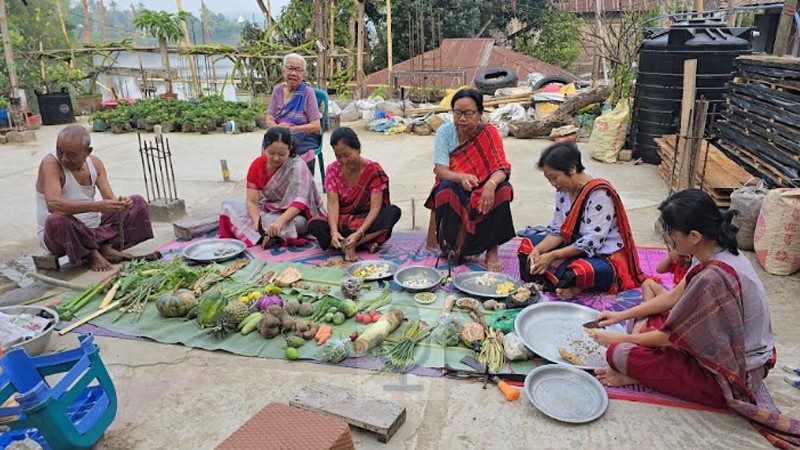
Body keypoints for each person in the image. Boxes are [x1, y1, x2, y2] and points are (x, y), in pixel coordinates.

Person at [593, 190, 779, 416]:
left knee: (618, 352)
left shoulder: (712, 278)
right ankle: (645, 367)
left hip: (732, 375)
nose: (670, 241)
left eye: (673, 234)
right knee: (643, 321)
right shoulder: (712, 251)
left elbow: (671, 337)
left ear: (694, 236)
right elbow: (673, 297)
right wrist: (620, 316)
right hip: (716, 347)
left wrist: (619, 339)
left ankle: (640, 374)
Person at [517, 142, 648, 299]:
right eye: (549, 179)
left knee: (581, 271)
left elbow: (592, 241)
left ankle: (569, 284)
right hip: (571, 245)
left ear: (572, 169)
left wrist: (552, 256)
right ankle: (562, 282)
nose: (553, 184)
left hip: (601, 254)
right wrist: (538, 251)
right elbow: (558, 230)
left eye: (554, 178)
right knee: (528, 247)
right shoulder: (563, 191)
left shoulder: (599, 194)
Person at [35, 125, 153, 271]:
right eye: (60, 151)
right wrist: (98, 206)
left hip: (93, 230)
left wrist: (121, 204)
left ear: (87, 152)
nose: (64, 158)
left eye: (71, 154)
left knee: (137, 202)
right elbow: (53, 205)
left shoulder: (95, 163)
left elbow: (109, 199)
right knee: (57, 220)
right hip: (60, 235)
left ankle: (105, 247)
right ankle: (91, 254)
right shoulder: (50, 164)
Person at [425, 88, 514, 271]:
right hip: (456, 183)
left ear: (479, 114)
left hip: (484, 183)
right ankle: (455, 246)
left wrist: (490, 184)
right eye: (457, 113)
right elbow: (441, 170)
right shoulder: (444, 132)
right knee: (445, 189)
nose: (462, 119)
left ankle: (492, 250)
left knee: (504, 189)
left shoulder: (489, 132)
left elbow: (501, 168)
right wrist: (461, 177)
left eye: (468, 113)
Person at [219, 127, 325, 248]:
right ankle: (269, 233)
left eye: (282, 154)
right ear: (264, 148)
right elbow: (252, 201)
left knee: (299, 224)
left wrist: (280, 222)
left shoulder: (297, 166)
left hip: (291, 215)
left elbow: (300, 202)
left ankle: (270, 233)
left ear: (290, 150)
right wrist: (256, 222)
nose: (276, 158)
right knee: (229, 206)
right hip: (268, 209)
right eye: (271, 153)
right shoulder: (257, 165)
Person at [308, 127, 401, 262]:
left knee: (392, 212)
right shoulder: (333, 170)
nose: (343, 160)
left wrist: (359, 234)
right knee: (314, 225)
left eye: (347, 155)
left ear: (358, 149)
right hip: (343, 221)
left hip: (365, 222)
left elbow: (375, 208)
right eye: (338, 156)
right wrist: (334, 232)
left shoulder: (373, 170)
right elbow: (333, 205)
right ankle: (358, 243)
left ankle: (352, 244)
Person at [266, 53, 323, 174]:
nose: (293, 73)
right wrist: (278, 128)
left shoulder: (307, 92)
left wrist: (293, 129)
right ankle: (272, 179)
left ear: (303, 74)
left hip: (304, 135)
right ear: (283, 71)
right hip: (280, 132)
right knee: (270, 142)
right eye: (290, 68)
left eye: (298, 70)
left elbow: (316, 125)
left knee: (289, 144)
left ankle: (297, 180)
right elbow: (269, 119)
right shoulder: (277, 90)